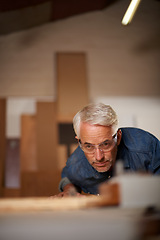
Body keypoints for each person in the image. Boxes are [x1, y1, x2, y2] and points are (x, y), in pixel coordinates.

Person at [58, 103, 160, 197]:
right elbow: (67, 177)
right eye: (89, 146)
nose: (99, 157)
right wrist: (69, 190)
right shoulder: (76, 162)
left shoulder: (146, 148)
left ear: (118, 137)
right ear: (79, 141)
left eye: (105, 144)